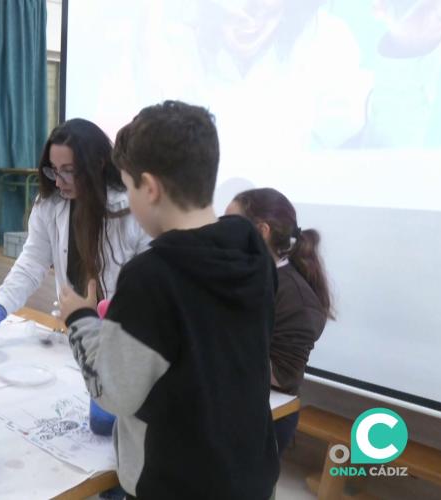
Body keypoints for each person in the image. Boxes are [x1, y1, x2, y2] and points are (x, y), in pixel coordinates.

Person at [59, 101, 279, 498]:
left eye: (127, 188)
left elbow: (115, 393)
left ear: (151, 187)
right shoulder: (252, 252)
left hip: (176, 482)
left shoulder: (152, 276)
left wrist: (80, 319)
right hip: (249, 472)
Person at [0, 119, 150, 336]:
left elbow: (149, 287)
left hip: (127, 337)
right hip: (77, 331)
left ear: (98, 163)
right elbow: (32, 262)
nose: (58, 182)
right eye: (54, 171)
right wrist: (0, 309)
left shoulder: (131, 210)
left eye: (68, 171)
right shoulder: (50, 205)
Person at [226, 187, 332, 455]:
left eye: (229, 223)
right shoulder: (240, 273)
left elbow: (281, 377)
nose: (220, 231)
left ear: (261, 231)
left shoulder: (298, 302)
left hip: (264, 418)